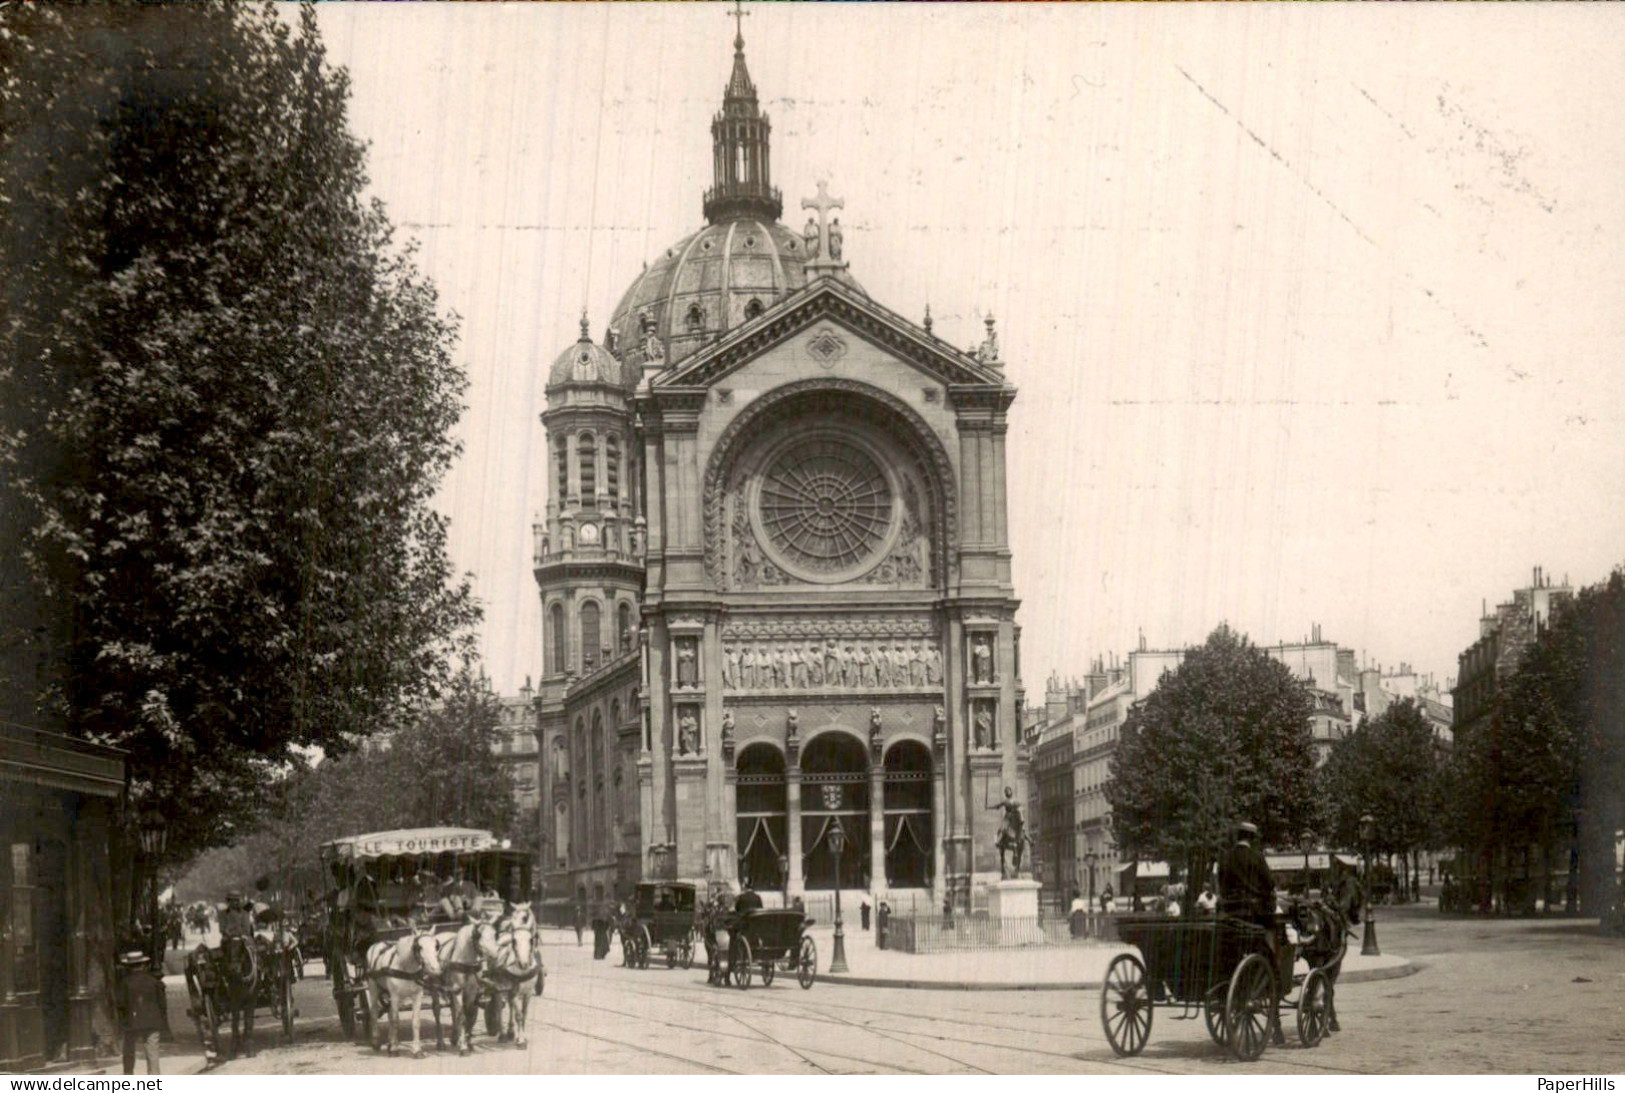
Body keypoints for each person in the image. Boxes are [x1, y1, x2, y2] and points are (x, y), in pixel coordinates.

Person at [116, 949, 170, 1075]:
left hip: (132, 1021)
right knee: (152, 1053)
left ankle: (128, 1076)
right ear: (143, 965)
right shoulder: (153, 981)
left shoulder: (125, 983)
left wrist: (123, 1020)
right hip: (152, 1021)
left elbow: (120, 1004)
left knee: (129, 1051)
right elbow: (162, 1003)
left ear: (128, 967)